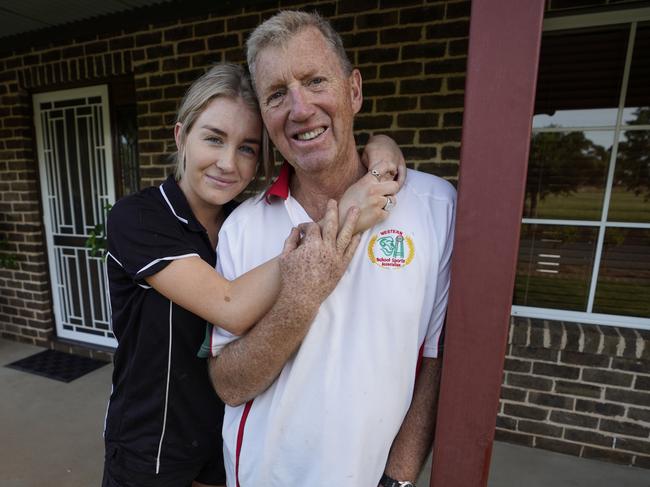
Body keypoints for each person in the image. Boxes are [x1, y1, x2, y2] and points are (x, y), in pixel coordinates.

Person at [102, 62, 406, 487]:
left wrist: (380, 145)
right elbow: (230, 306)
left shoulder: (242, 224)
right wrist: (348, 215)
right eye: (213, 138)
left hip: (226, 444)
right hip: (150, 446)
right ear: (181, 136)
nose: (228, 163)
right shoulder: (139, 217)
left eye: (247, 148)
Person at [204, 11, 457, 487]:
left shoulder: (434, 207)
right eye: (277, 94)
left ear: (353, 91)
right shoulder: (241, 227)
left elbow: (435, 360)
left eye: (315, 81)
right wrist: (301, 296)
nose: (299, 109)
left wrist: (398, 478)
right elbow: (229, 384)